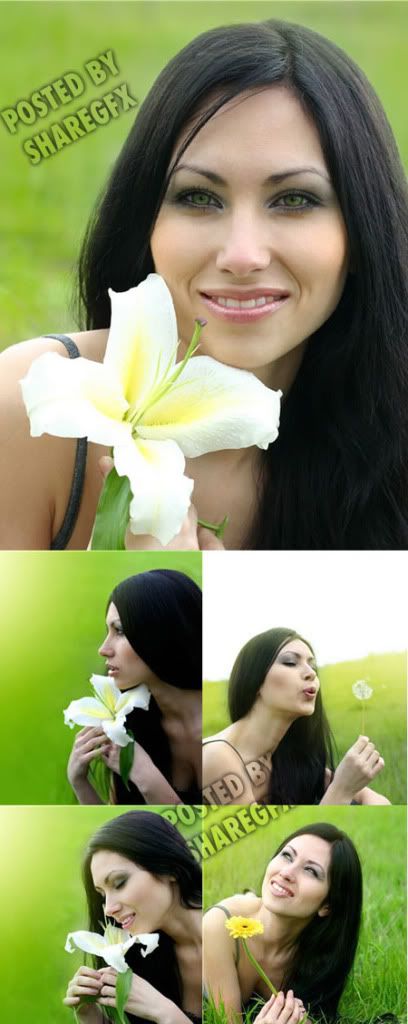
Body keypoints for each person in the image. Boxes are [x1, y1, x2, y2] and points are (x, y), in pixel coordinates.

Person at [1, 19, 407, 550]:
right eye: (198, 197)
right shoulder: (31, 410)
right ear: (146, 223)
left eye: (294, 200)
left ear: (360, 231)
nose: (242, 256)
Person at [202, 628, 390, 806]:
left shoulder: (285, 757)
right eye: (291, 662)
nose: (311, 673)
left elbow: (377, 800)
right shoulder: (217, 757)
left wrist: (353, 788)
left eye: (313, 665)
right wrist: (341, 789)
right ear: (255, 679)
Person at [203, 822, 362, 1024]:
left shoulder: (321, 954)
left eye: (311, 871)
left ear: (327, 905)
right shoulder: (220, 925)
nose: (287, 872)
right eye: (287, 856)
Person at [67, 568, 202, 804]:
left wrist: (147, 778)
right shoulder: (133, 726)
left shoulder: (223, 728)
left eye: (119, 631)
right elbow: (128, 828)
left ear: (161, 633)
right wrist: (79, 783)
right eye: (108, 631)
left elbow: (213, 837)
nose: (104, 649)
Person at [64, 810, 202, 1024]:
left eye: (119, 883)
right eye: (102, 895)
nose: (108, 908)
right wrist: (89, 1015)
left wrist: (166, 1013)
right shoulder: (142, 958)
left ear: (170, 868)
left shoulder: (229, 932)